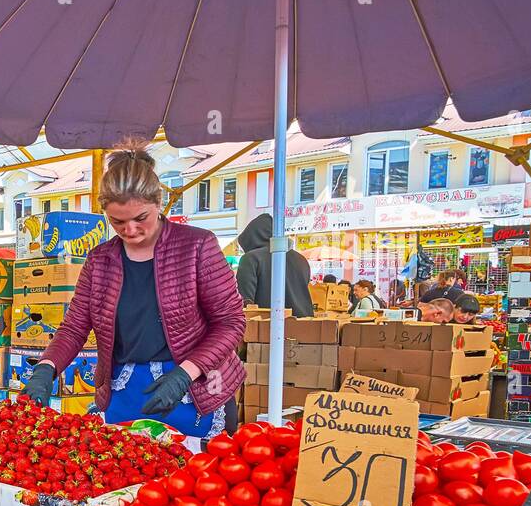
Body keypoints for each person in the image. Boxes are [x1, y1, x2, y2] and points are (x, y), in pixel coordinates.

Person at [22, 141, 244, 437]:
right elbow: (74, 327)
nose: (130, 230)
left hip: (195, 390)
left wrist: (184, 374)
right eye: (118, 221)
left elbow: (230, 323)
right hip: (123, 393)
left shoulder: (197, 246)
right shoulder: (100, 260)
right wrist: (46, 367)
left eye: (141, 218)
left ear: (159, 203)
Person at [235, 213, 313, 316]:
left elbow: (245, 304)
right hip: (307, 325)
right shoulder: (301, 259)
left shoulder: (250, 259)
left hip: (269, 326)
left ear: (250, 239)